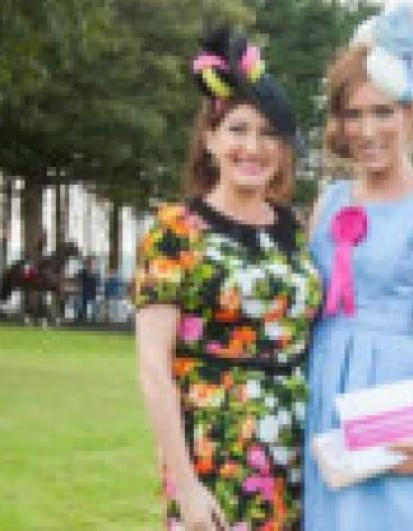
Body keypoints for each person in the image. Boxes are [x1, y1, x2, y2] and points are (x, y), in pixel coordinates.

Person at [133, 27, 321, 530]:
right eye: (238, 129)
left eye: (268, 134)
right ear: (210, 139)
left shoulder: (296, 230)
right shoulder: (174, 232)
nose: (252, 147)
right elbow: (153, 368)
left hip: (302, 458)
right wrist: (186, 485)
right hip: (218, 458)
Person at [303, 3, 413, 530]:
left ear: (410, 114)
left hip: (393, 392)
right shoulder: (327, 202)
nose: (367, 130)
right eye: (354, 114)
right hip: (323, 382)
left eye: (382, 112)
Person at [77, 257, 99, 322]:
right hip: (84, 293)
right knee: (83, 300)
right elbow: (78, 282)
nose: (90, 265)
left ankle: (92, 318)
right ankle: (81, 317)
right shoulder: (82, 273)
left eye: (91, 263)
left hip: (92, 294)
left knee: (92, 304)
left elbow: (97, 285)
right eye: (88, 263)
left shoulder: (96, 274)